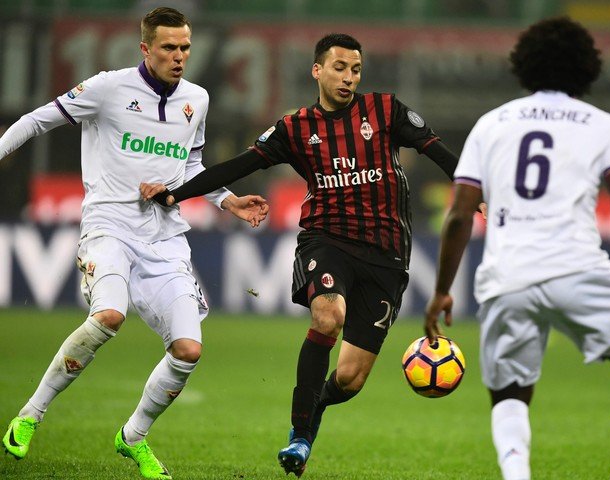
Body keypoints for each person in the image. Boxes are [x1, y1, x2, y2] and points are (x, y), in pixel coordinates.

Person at [140, 33, 462, 477]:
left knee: (349, 380)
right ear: (317, 70)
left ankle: (315, 413)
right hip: (326, 239)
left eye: (355, 70)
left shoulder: (386, 111)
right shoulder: (295, 129)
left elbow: (437, 151)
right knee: (328, 315)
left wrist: (472, 193)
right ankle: (300, 435)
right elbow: (238, 165)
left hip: (387, 256)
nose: (348, 77)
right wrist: (177, 194)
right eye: (339, 68)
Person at [1, 7, 268, 480]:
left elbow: (189, 166)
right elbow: (36, 121)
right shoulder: (107, 88)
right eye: (169, 47)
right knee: (108, 315)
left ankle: (134, 437)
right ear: (145, 49)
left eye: (185, 47)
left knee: (188, 350)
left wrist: (227, 201)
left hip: (166, 239)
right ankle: (29, 416)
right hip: (109, 228)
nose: (180, 56)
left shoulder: (197, 99)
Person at [424, 16, 610, 480]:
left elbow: (460, 214)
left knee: (510, 394)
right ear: (587, 66)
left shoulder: (491, 124)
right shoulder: (605, 126)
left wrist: (442, 290)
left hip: (506, 278)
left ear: (524, 65)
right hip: (576, 270)